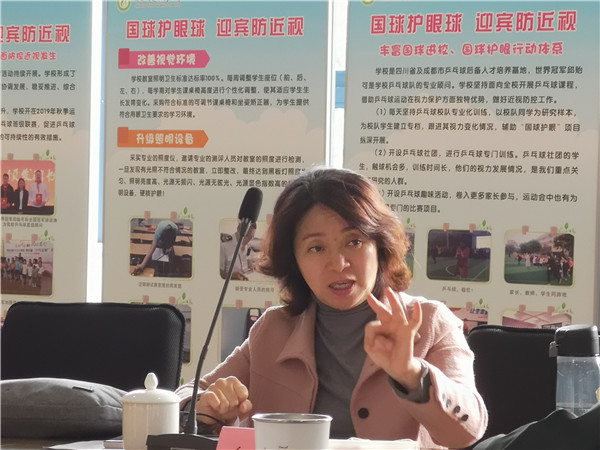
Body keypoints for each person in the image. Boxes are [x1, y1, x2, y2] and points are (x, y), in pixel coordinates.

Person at [176, 167, 488, 448]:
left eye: (354, 242)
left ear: (379, 246)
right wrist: (205, 405)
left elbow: (468, 430)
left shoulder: (430, 321)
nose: (338, 264)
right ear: (295, 261)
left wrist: (411, 374)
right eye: (316, 248)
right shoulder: (273, 329)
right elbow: (185, 395)